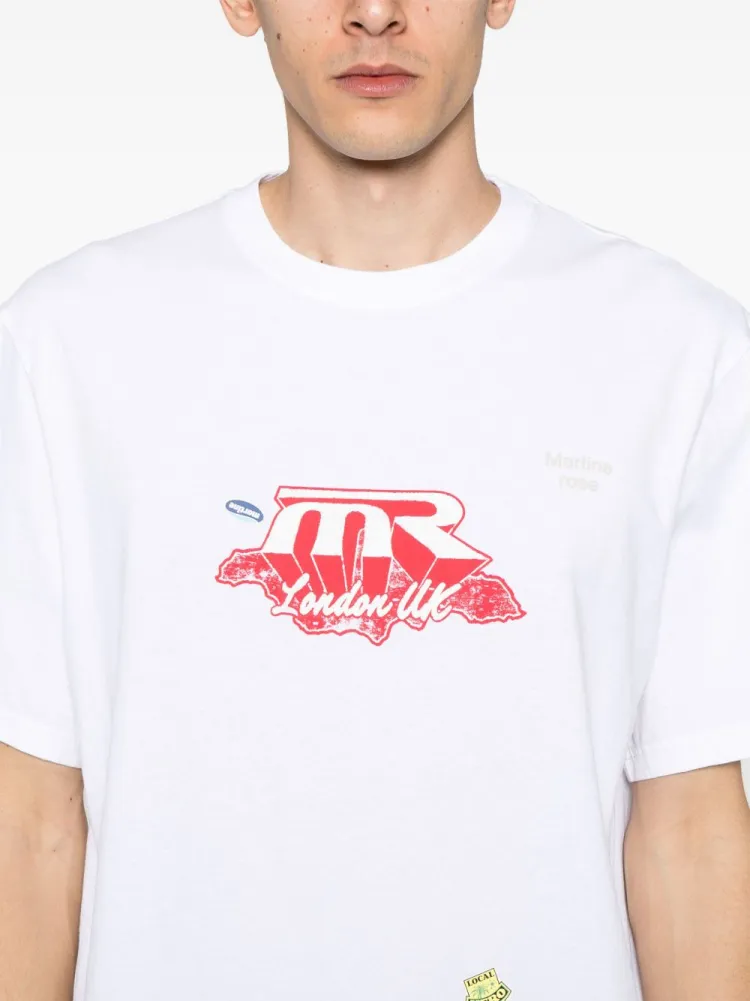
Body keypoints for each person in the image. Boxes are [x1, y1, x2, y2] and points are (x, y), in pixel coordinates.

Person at [1, 0, 749, 998]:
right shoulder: (70, 343)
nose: (375, 15)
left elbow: (688, 823)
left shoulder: (675, 349)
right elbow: (32, 822)